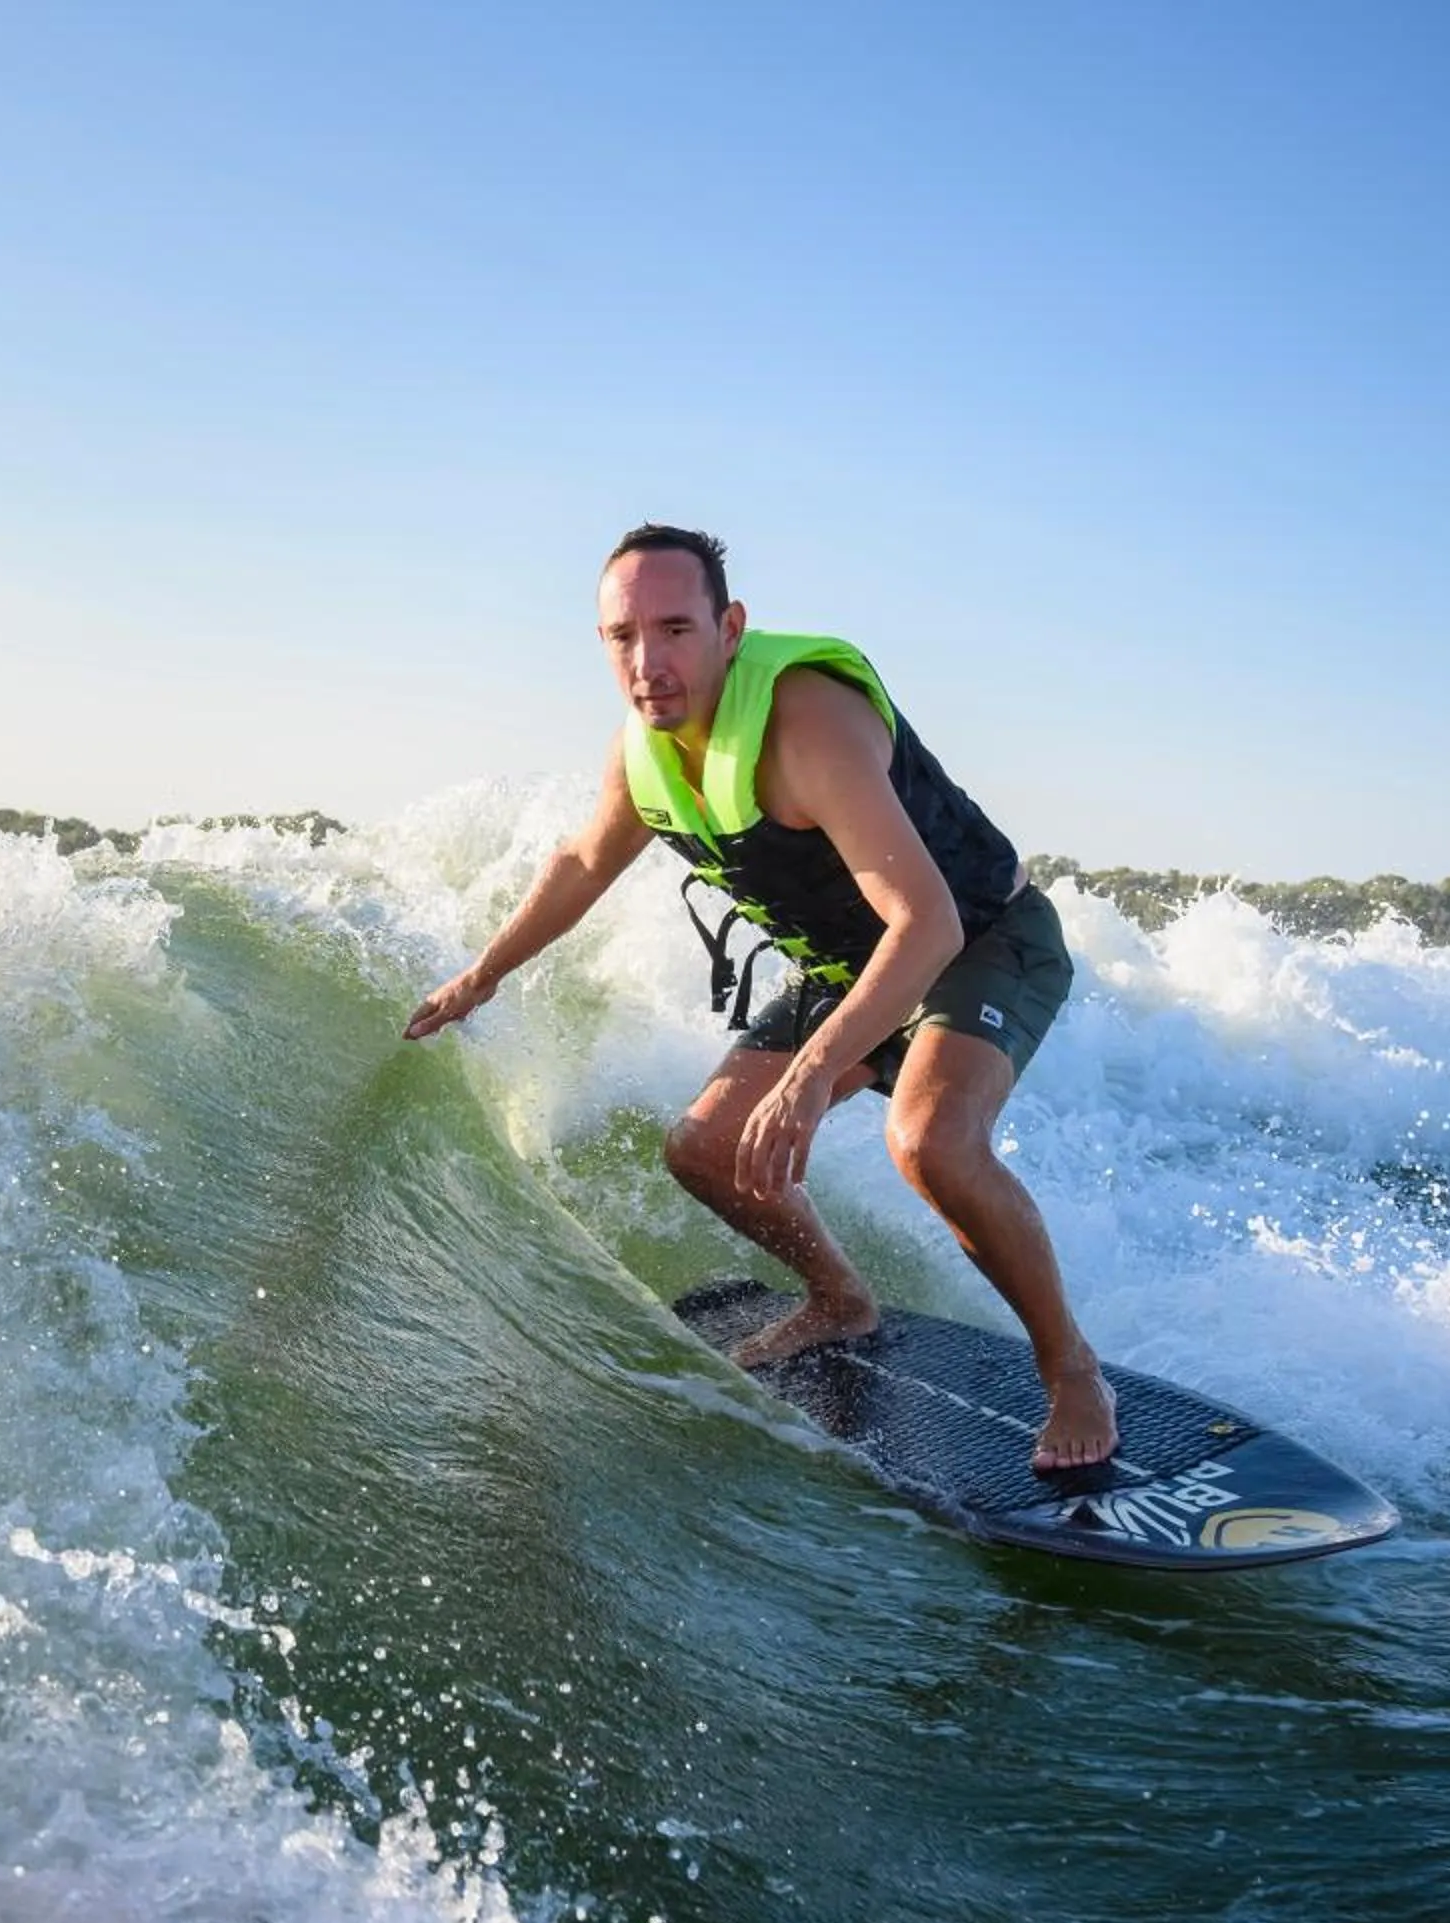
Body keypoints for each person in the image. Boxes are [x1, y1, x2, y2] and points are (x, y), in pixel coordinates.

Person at [403, 524, 1118, 1470]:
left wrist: (813, 1075)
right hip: (850, 965)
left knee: (931, 1143)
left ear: (729, 626)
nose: (649, 662)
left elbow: (929, 925)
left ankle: (1071, 1368)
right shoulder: (643, 754)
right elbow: (580, 862)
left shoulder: (808, 723)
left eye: (675, 629)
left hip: (981, 938)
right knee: (705, 1148)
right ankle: (837, 1298)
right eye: (624, 636)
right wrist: (482, 975)